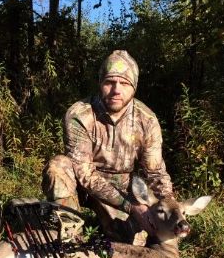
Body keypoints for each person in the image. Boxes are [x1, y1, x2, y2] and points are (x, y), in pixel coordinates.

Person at [42, 50, 175, 246]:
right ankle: (69, 236)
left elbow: (155, 172)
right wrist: (131, 207)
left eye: (124, 83)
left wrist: (170, 205)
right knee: (58, 168)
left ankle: (107, 226)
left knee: (132, 242)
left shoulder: (147, 120)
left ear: (134, 87)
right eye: (109, 82)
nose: (116, 90)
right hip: (82, 183)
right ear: (100, 83)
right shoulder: (80, 114)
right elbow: (84, 173)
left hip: (121, 188)